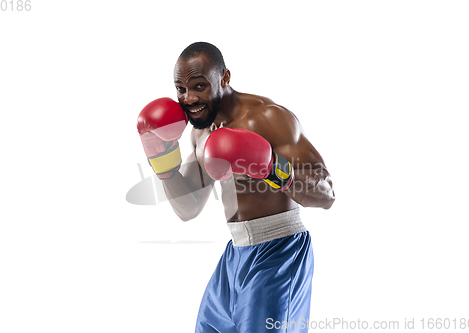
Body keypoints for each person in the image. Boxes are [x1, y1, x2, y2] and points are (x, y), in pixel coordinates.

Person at [137, 42, 335, 333]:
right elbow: (188, 208)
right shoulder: (200, 132)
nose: (188, 98)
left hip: (279, 251)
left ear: (225, 78)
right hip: (235, 255)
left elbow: (327, 194)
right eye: (180, 89)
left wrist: (270, 167)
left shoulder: (267, 118)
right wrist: (162, 161)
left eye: (199, 86)